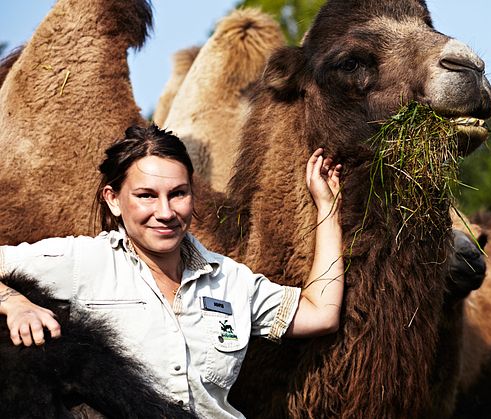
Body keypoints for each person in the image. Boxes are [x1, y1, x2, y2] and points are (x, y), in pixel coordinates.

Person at [0, 124, 344, 418]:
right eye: (146, 196)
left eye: (177, 194)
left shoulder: (230, 280)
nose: (165, 212)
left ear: (194, 195)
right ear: (114, 199)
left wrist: (327, 208)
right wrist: (14, 301)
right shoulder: (82, 261)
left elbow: (321, 313)